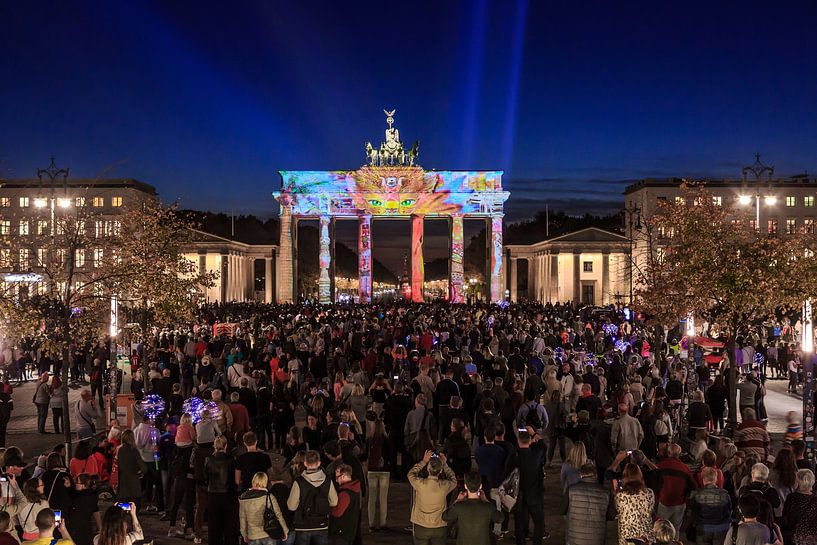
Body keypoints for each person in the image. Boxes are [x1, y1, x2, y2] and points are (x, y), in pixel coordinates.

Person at [286, 450, 339, 545]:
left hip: (303, 525)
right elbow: (334, 502)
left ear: (305, 463)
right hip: (322, 524)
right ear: (319, 463)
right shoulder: (327, 480)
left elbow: (291, 506)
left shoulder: (298, 482)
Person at [407, 450, 457, 545]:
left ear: (428, 469)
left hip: (420, 524)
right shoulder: (444, 486)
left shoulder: (420, 483)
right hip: (439, 525)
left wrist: (423, 462)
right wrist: (445, 465)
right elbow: (453, 480)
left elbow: (410, 474)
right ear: (441, 470)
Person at [442, 471, 503, 545]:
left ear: (465, 486)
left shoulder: (459, 506)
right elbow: (500, 518)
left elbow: (445, 517)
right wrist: (486, 500)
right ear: (480, 486)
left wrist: (457, 500)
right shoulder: (487, 506)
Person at [563, 463, 615, 545]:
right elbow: (611, 516)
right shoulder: (606, 492)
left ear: (581, 475)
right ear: (596, 475)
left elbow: (562, 510)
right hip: (597, 539)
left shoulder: (571, 489)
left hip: (575, 538)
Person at [512, 430, 549, 544]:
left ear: (518, 442)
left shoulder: (513, 457)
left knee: (519, 524)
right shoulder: (536, 456)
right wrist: (534, 435)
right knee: (538, 521)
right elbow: (543, 446)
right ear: (530, 441)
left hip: (518, 495)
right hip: (534, 494)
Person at [655, 443, 696, 539]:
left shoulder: (660, 466)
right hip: (679, 504)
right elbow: (693, 486)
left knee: (661, 530)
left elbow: (654, 484)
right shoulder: (685, 469)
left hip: (663, 502)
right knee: (675, 529)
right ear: (679, 454)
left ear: (668, 453)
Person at [238, 472, 289, 545]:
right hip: (268, 534)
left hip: (252, 535)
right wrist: (285, 530)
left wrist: (244, 534)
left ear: (253, 481)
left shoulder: (243, 498)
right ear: (265, 481)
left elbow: (242, 518)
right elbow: (278, 514)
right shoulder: (268, 496)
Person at [205, 436, 237, 545]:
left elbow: (206, 478)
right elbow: (234, 478)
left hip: (213, 494)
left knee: (214, 526)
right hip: (227, 494)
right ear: (226, 446)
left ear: (214, 446)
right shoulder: (231, 460)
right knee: (229, 525)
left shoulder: (208, 459)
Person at [686, 466, 732, 545]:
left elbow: (689, 513)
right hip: (721, 527)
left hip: (702, 527)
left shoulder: (695, 494)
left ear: (703, 479)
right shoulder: (724, 493)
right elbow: (729, 509)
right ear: (715, 479)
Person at [614, 464, 655, 545]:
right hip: (645, 535)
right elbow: (651, 510)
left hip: (627, 536)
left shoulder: (621, 496)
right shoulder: (649, 493)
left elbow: (619, 511)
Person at [365, 417, 391, 532]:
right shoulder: (386, 440)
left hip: (372, 470)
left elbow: (365, 455)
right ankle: (383, 522)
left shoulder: (369, 439)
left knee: (372, 498)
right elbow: (392, 455)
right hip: (384, 470)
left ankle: (371, 523)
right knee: (383, 498)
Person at [781, 469, 815, 545]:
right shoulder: (815, 498)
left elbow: (785, 520)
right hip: (813, 539)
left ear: (798, 481)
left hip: (795, 539)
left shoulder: (792, 498)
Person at [329, 464, 361, 545]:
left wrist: (330, 506)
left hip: (341, 534)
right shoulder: (355, 489)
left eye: (337, 477)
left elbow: (337, 513)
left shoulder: (345, 494)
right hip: (349, 532)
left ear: (343, 476)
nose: (336, 480)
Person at [115, 430, 146, 510]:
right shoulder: (134, 451)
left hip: (122, 486)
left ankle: (124, 521)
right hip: (134, 486)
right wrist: (140, 473)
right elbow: (144, 468)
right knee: (134, 509)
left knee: (122, 510)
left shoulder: (118, 450)